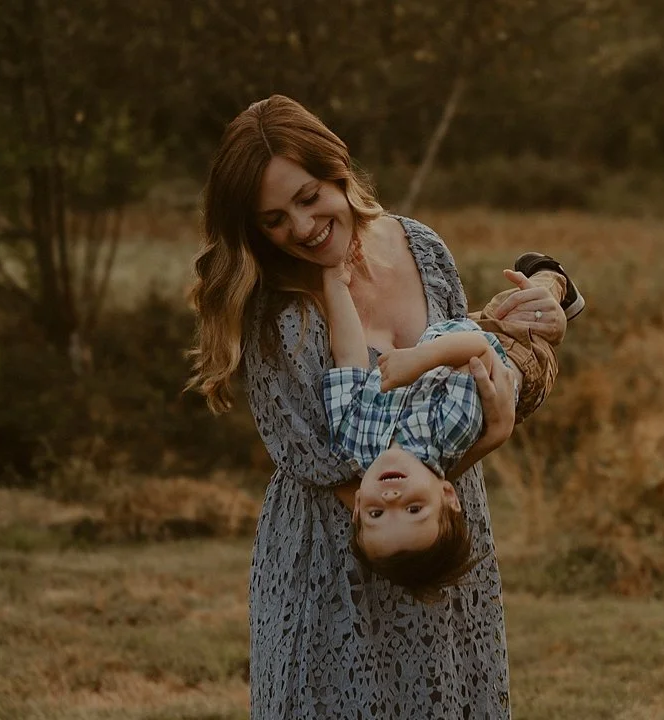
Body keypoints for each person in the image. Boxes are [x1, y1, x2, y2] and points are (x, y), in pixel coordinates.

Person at [186, 94, 568, 719]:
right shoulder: (269, 310)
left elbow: (470, 377)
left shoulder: (420, 246)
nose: (303, 228)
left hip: (442, 532)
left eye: (309, 197)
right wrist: (487, 444)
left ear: (337, 170)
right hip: (333, 561)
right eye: (274, 219)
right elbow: (345, 481)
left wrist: (547, 303)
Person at [320, 256, 583, 602]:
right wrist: (419, 359)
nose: (392, 499)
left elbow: (349, 360)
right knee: (523, 306)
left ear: (356, 506)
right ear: (446, 494)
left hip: (452, 336)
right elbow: (478, 350)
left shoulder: (350, 437)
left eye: (376, 513)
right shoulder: (450, 431)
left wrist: (336, 286)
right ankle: (557, 279)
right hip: (514, 357)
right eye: (415, 509)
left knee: (486, 316)